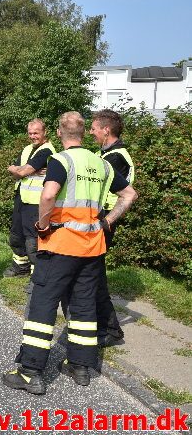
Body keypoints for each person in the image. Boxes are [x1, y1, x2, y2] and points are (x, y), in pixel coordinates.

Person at [2, 112, 137, 395]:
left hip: (61, 244)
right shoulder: (100, 163)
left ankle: (30, 372)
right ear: (83, 131)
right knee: (83, 305)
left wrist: (41, 225)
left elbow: (49, 194)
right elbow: (129, 195)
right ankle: (80, 366)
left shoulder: (61, 161)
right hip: (92, 247)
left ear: (61, 133)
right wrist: (108, 221)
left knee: (43, 304)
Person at [89, 109, 135, 346]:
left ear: (106, 130)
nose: (91, 132)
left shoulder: (115, 158)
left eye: (94, 128)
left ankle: (111, 330)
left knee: (95, 276)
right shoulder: (106, 154)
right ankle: (97, 324)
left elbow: (126, 195)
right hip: (98, 220)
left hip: (102, 222)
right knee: (93, 274)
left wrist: (108, 221)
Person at [5, 119, 56, 277]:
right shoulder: (27, 149)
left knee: (33, 240)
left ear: (44, 132)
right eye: (30, 133)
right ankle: (21, 266)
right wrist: (22, 170)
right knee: (16, 234)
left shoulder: (46, 150)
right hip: (21, 197)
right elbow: (12, 169)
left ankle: (38, 275)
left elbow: (20, 172)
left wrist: (20, 170)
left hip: (36, 202)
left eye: (36, 133)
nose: (33, 136)